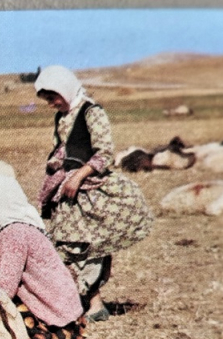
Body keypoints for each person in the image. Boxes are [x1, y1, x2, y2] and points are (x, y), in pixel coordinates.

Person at [34, 65, 153, 322]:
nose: (51, 104)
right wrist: (57, 165)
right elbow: (64, 149)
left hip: (90, 189)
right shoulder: (62, 117)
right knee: (68, 247)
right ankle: (89, 302)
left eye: (53, 97)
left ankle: (93, 304)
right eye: (48, 100)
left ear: (64, 89)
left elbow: (105, 152)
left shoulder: (91, 112)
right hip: (68, 192)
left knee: (88, 246)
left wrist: (78, 176)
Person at [0, 173, 86, 339]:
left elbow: (6, 287)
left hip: (58, 313)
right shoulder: (20, 225)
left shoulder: (13, 234)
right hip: (63, 305)